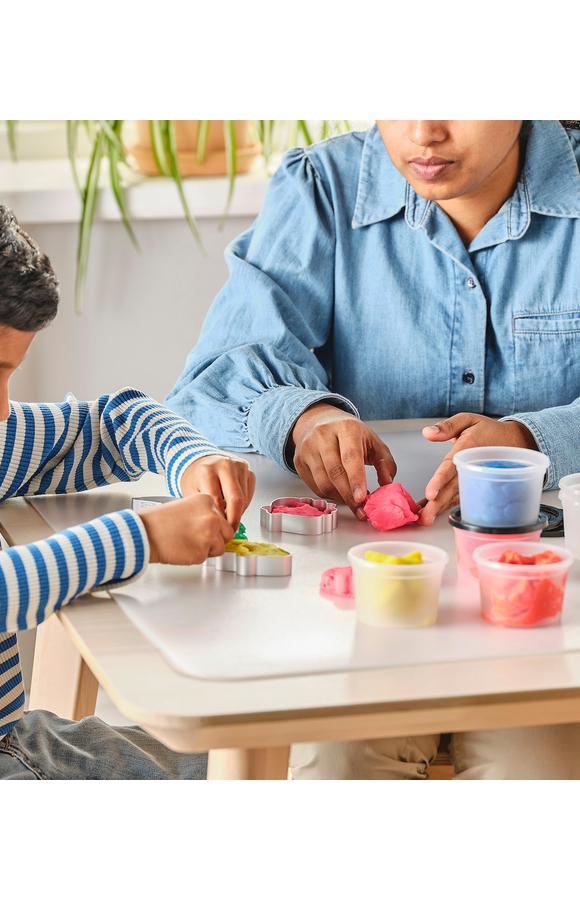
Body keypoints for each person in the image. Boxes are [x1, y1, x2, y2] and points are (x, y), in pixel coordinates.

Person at [167, 120, 580, 778]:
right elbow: (211, 383)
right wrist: (302, 416)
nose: (424, 132)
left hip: (553, 621)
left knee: (535, 768)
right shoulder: (322, 189)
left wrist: (535, 439)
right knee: (338, 764)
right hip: (359, 614)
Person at [0, 166, 255, 780]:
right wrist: (141, 538)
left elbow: (109, 423)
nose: (2, 407)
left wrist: (191, 459)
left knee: (235, 761)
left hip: (2, 741)